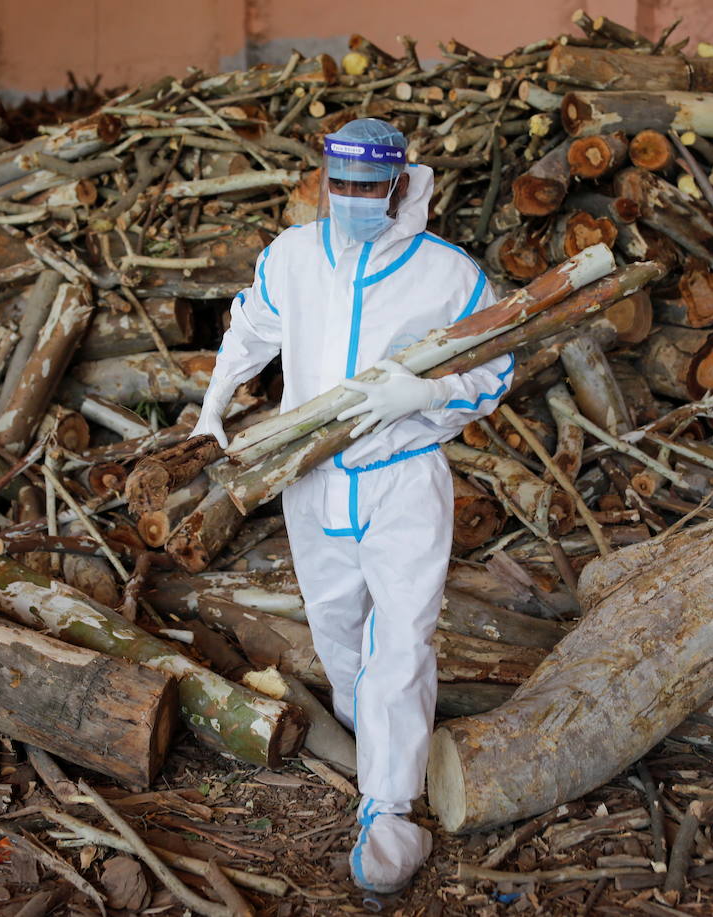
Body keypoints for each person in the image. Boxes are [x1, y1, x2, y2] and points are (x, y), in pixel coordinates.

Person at [191, 118, 513, 894]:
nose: (357, 200)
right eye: (344, 187)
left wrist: (426, 392)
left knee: (403, 635)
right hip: (314, 480)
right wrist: (211, 404)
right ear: (327, 182)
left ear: (401, 182)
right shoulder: (296, 257)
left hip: (403, 477)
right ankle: (375, 742)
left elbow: (494, 365)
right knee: (337, 629)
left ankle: (390, 809)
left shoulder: (446, 273)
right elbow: (253, 328)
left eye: (372, 187)